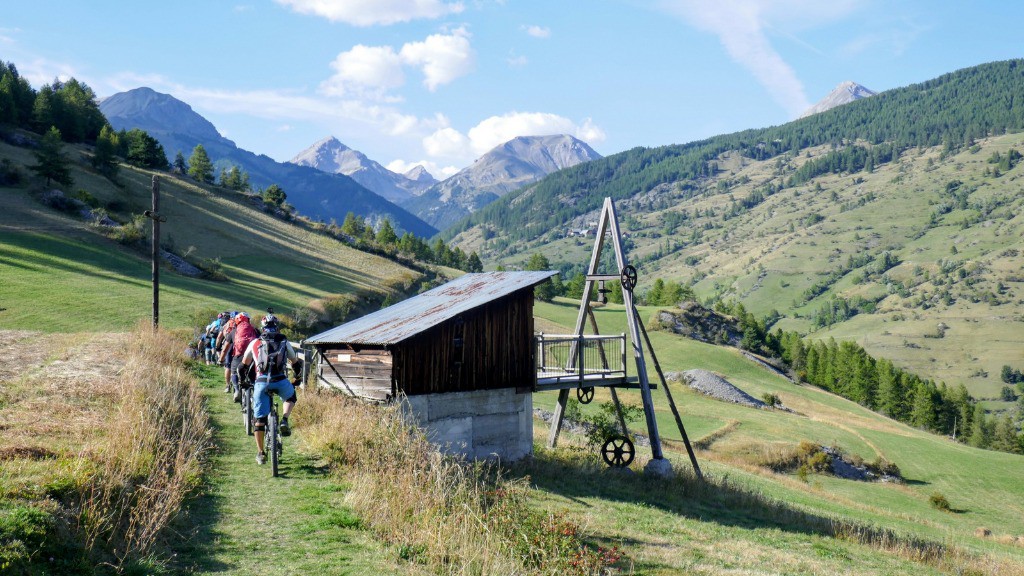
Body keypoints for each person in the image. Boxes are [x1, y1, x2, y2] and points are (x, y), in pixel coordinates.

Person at [239, 313, 302, 465]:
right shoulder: (284, 341)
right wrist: (297, 378)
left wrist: (243, 382)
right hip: (280, 380)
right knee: (290, 397)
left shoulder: (255, 342)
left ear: (262, 328)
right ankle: (285, 420)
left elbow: (243, 366)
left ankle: (261, 453)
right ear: (277, 327)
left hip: (261, 382)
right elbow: (295, 362)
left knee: (259, 420)